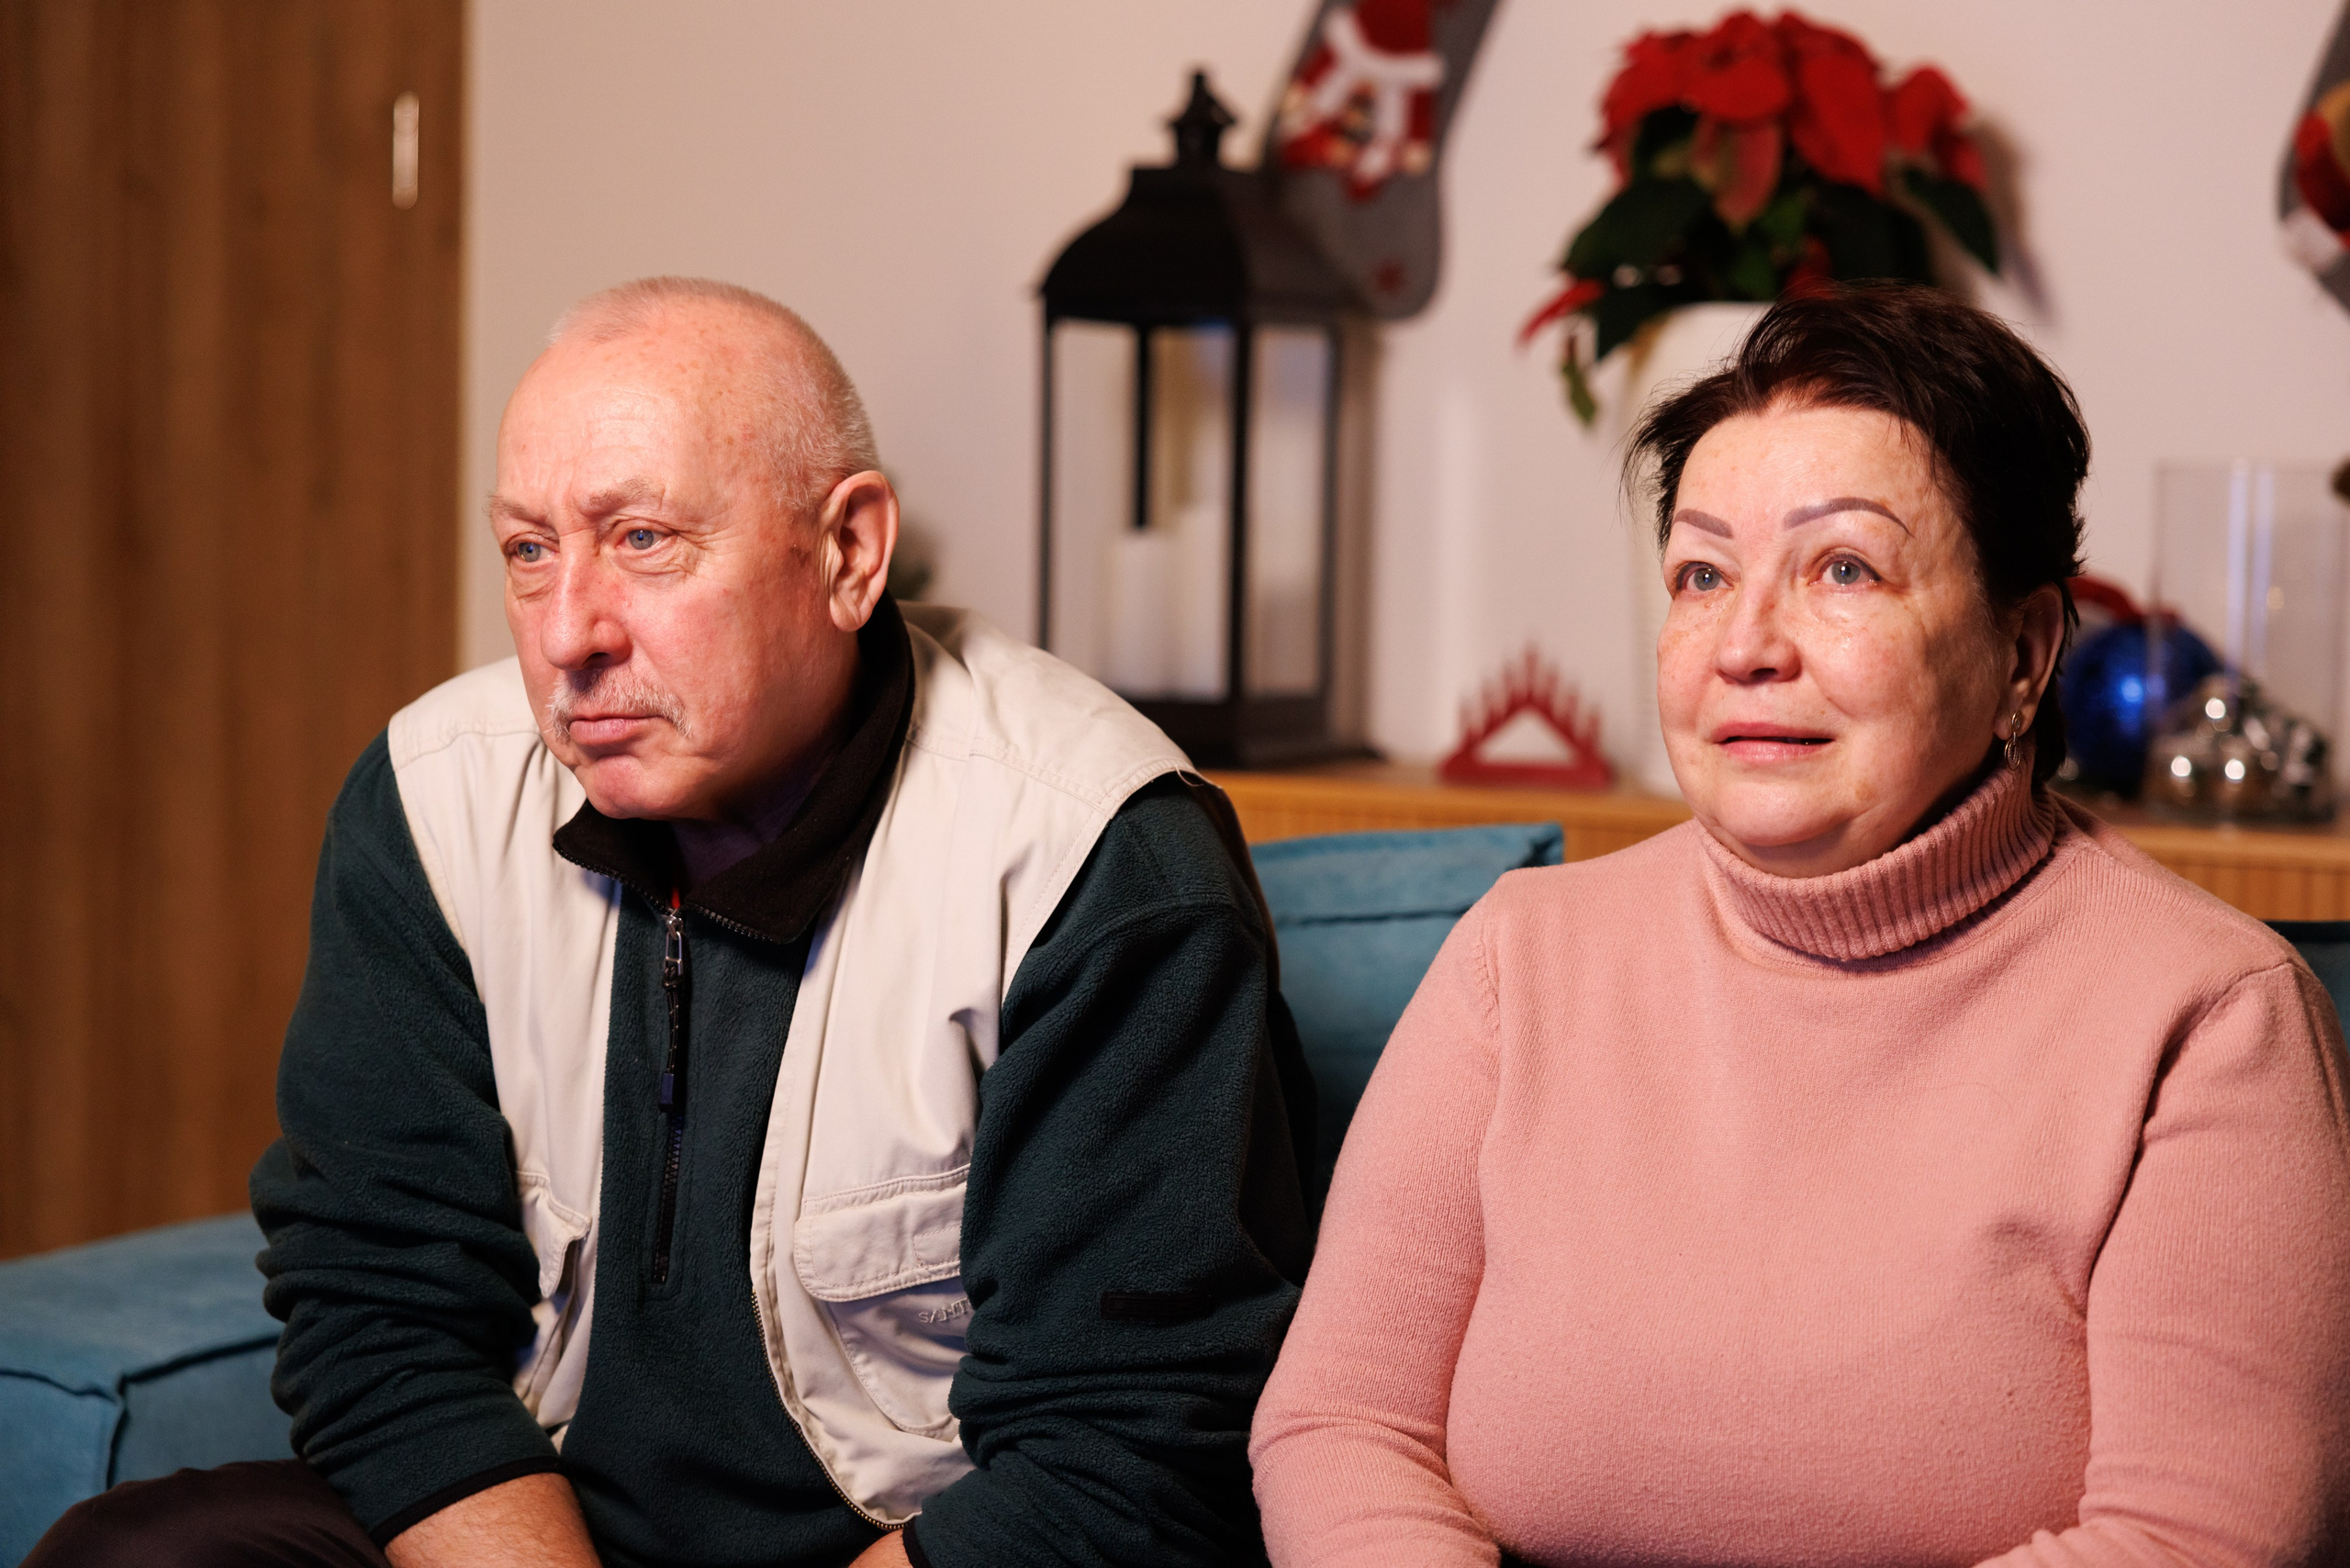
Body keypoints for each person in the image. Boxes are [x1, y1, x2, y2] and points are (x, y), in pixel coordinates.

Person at [30, 277, 1314, 1568]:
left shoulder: (1094, 856)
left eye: (642, 539)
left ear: (849, 553)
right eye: (529, 551)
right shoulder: (431, 798)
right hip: (548, 1530)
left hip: (905, 1545)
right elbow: (379, 1313)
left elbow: (1118, 1460)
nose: (567, 636)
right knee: (144, 1555)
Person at [1249, 286, 2350, 1565]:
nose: (1746, 646)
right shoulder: (1520, 954)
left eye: (1844, 570)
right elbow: (1343, 1425)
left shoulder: (2211, 1015)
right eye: (1703, 575)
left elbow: (2196, 1539)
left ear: (2024, 653)